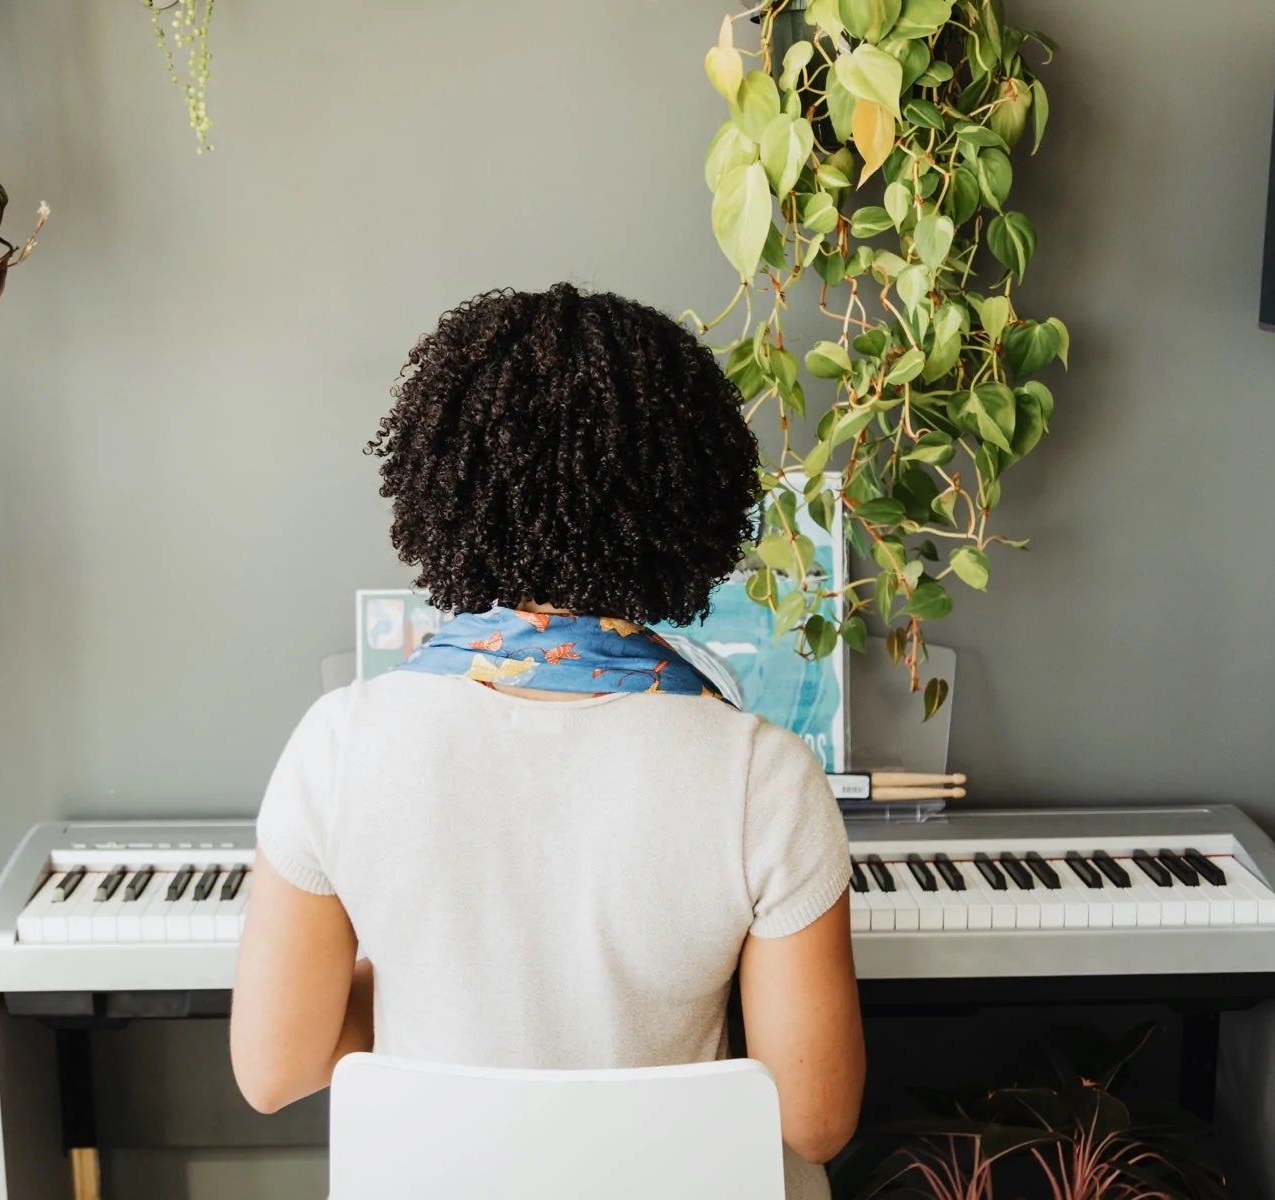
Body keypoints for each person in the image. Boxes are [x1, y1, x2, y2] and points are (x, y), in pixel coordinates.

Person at [230, 282, 864, 1198]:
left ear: (443, 486)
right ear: (690, 499)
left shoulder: (341, 743)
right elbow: (815, 1118)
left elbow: (272, 1069)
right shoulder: (763, 772)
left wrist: (415, 980)